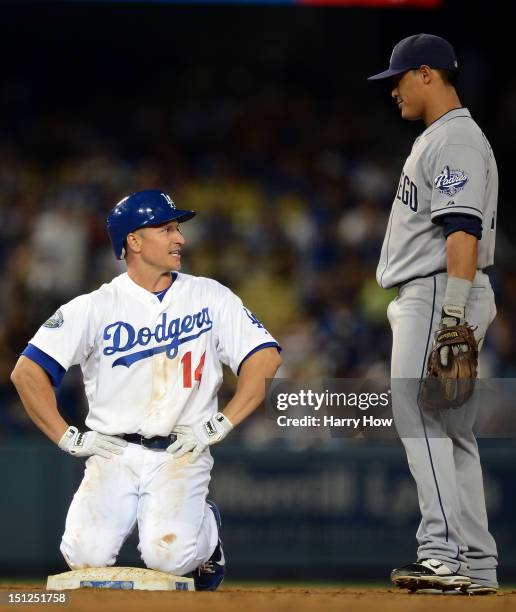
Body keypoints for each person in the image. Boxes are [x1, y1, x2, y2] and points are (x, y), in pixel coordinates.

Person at [10, 189, 282, 591]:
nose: (180, 238)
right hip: (112, 451)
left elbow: (264, 358)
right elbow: (27, 372)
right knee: (84, 559)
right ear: (133, 241)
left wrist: (223, 422)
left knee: (169, 558)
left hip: (181, 449)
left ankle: (208, 540)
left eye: (178, 229)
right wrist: (67, 436)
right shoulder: (95, 306)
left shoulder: (210, 295)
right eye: (167, 228)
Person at [368, 34, 498, 594]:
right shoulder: (442, 138)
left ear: (427, 73)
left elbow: (462, 230)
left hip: (441, 291)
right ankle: (476, 564)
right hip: (442, 290)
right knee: (451, 431)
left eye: (398, 78)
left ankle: (442, 555)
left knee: (419, 416)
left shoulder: (456, 140)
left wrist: (451, 313)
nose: (392, 90)